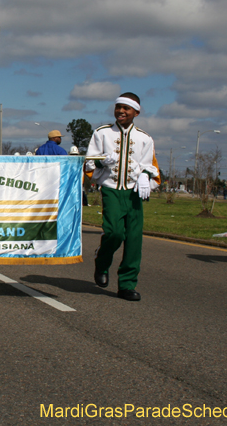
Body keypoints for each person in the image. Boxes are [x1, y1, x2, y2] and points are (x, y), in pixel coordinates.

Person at [85, 93, 158, 301]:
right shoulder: (102, 133)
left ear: (137, 112)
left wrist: (145, 176)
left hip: (135, 192)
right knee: (115, 233)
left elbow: (151, 166)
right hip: (111, 189)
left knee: (134, 240)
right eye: (118, 107)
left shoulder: (145, 138)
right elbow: (90, 163)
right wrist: (101, 163)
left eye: (126, 108)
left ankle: (127, 284)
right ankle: (102, 261)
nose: (121, 111)